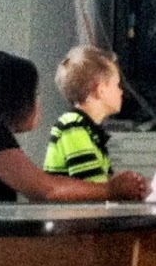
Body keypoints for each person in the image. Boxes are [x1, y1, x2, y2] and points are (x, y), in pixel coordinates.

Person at [0, 51, 147, 203]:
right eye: (34, 93)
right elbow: (46, 190)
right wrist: (111, 189)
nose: (38, 101)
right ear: (14, 97)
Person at [43, 46, 145, 198]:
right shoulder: (73, 125)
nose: (121, 91)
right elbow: (94, 187)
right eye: (117, 85)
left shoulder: (88, 129)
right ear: (100, 90)